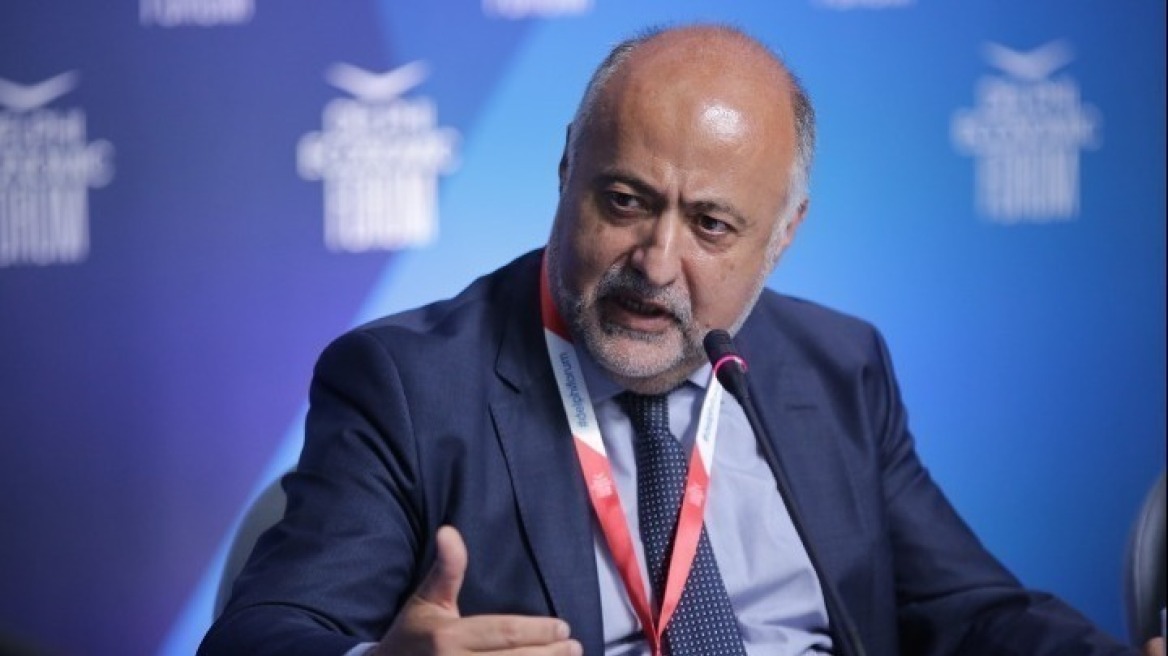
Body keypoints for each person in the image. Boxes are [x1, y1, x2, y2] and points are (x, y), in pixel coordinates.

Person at [200, 24, 1162, 656]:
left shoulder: (838, 366)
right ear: (566, 171)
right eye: (625, 202)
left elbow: (970, 612)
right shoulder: (410, 383)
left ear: (783, 236)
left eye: (711, 225)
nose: (657, 263)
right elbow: (263, 634)